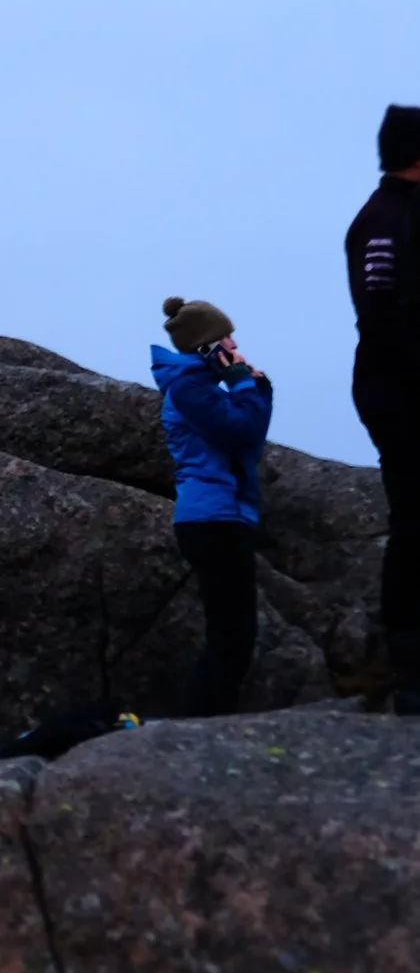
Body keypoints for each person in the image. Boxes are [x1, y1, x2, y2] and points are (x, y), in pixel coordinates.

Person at [152, 296, 272, 717]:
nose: (234, 344)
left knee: (235, 634)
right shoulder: (188, 388)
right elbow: (242, 432)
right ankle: (199, 726)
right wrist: (244, 384)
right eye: (225, 338)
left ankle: (206, 721)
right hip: (212, 519)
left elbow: (247, 438)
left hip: (222, 517)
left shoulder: (197, 386)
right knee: (232, 637)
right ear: (206, 347)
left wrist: (255, 386)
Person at [347, 102, 420, 714]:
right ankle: (409, 670)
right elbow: (381, 315)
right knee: (414, 520)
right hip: (396, 392)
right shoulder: (380, 222)